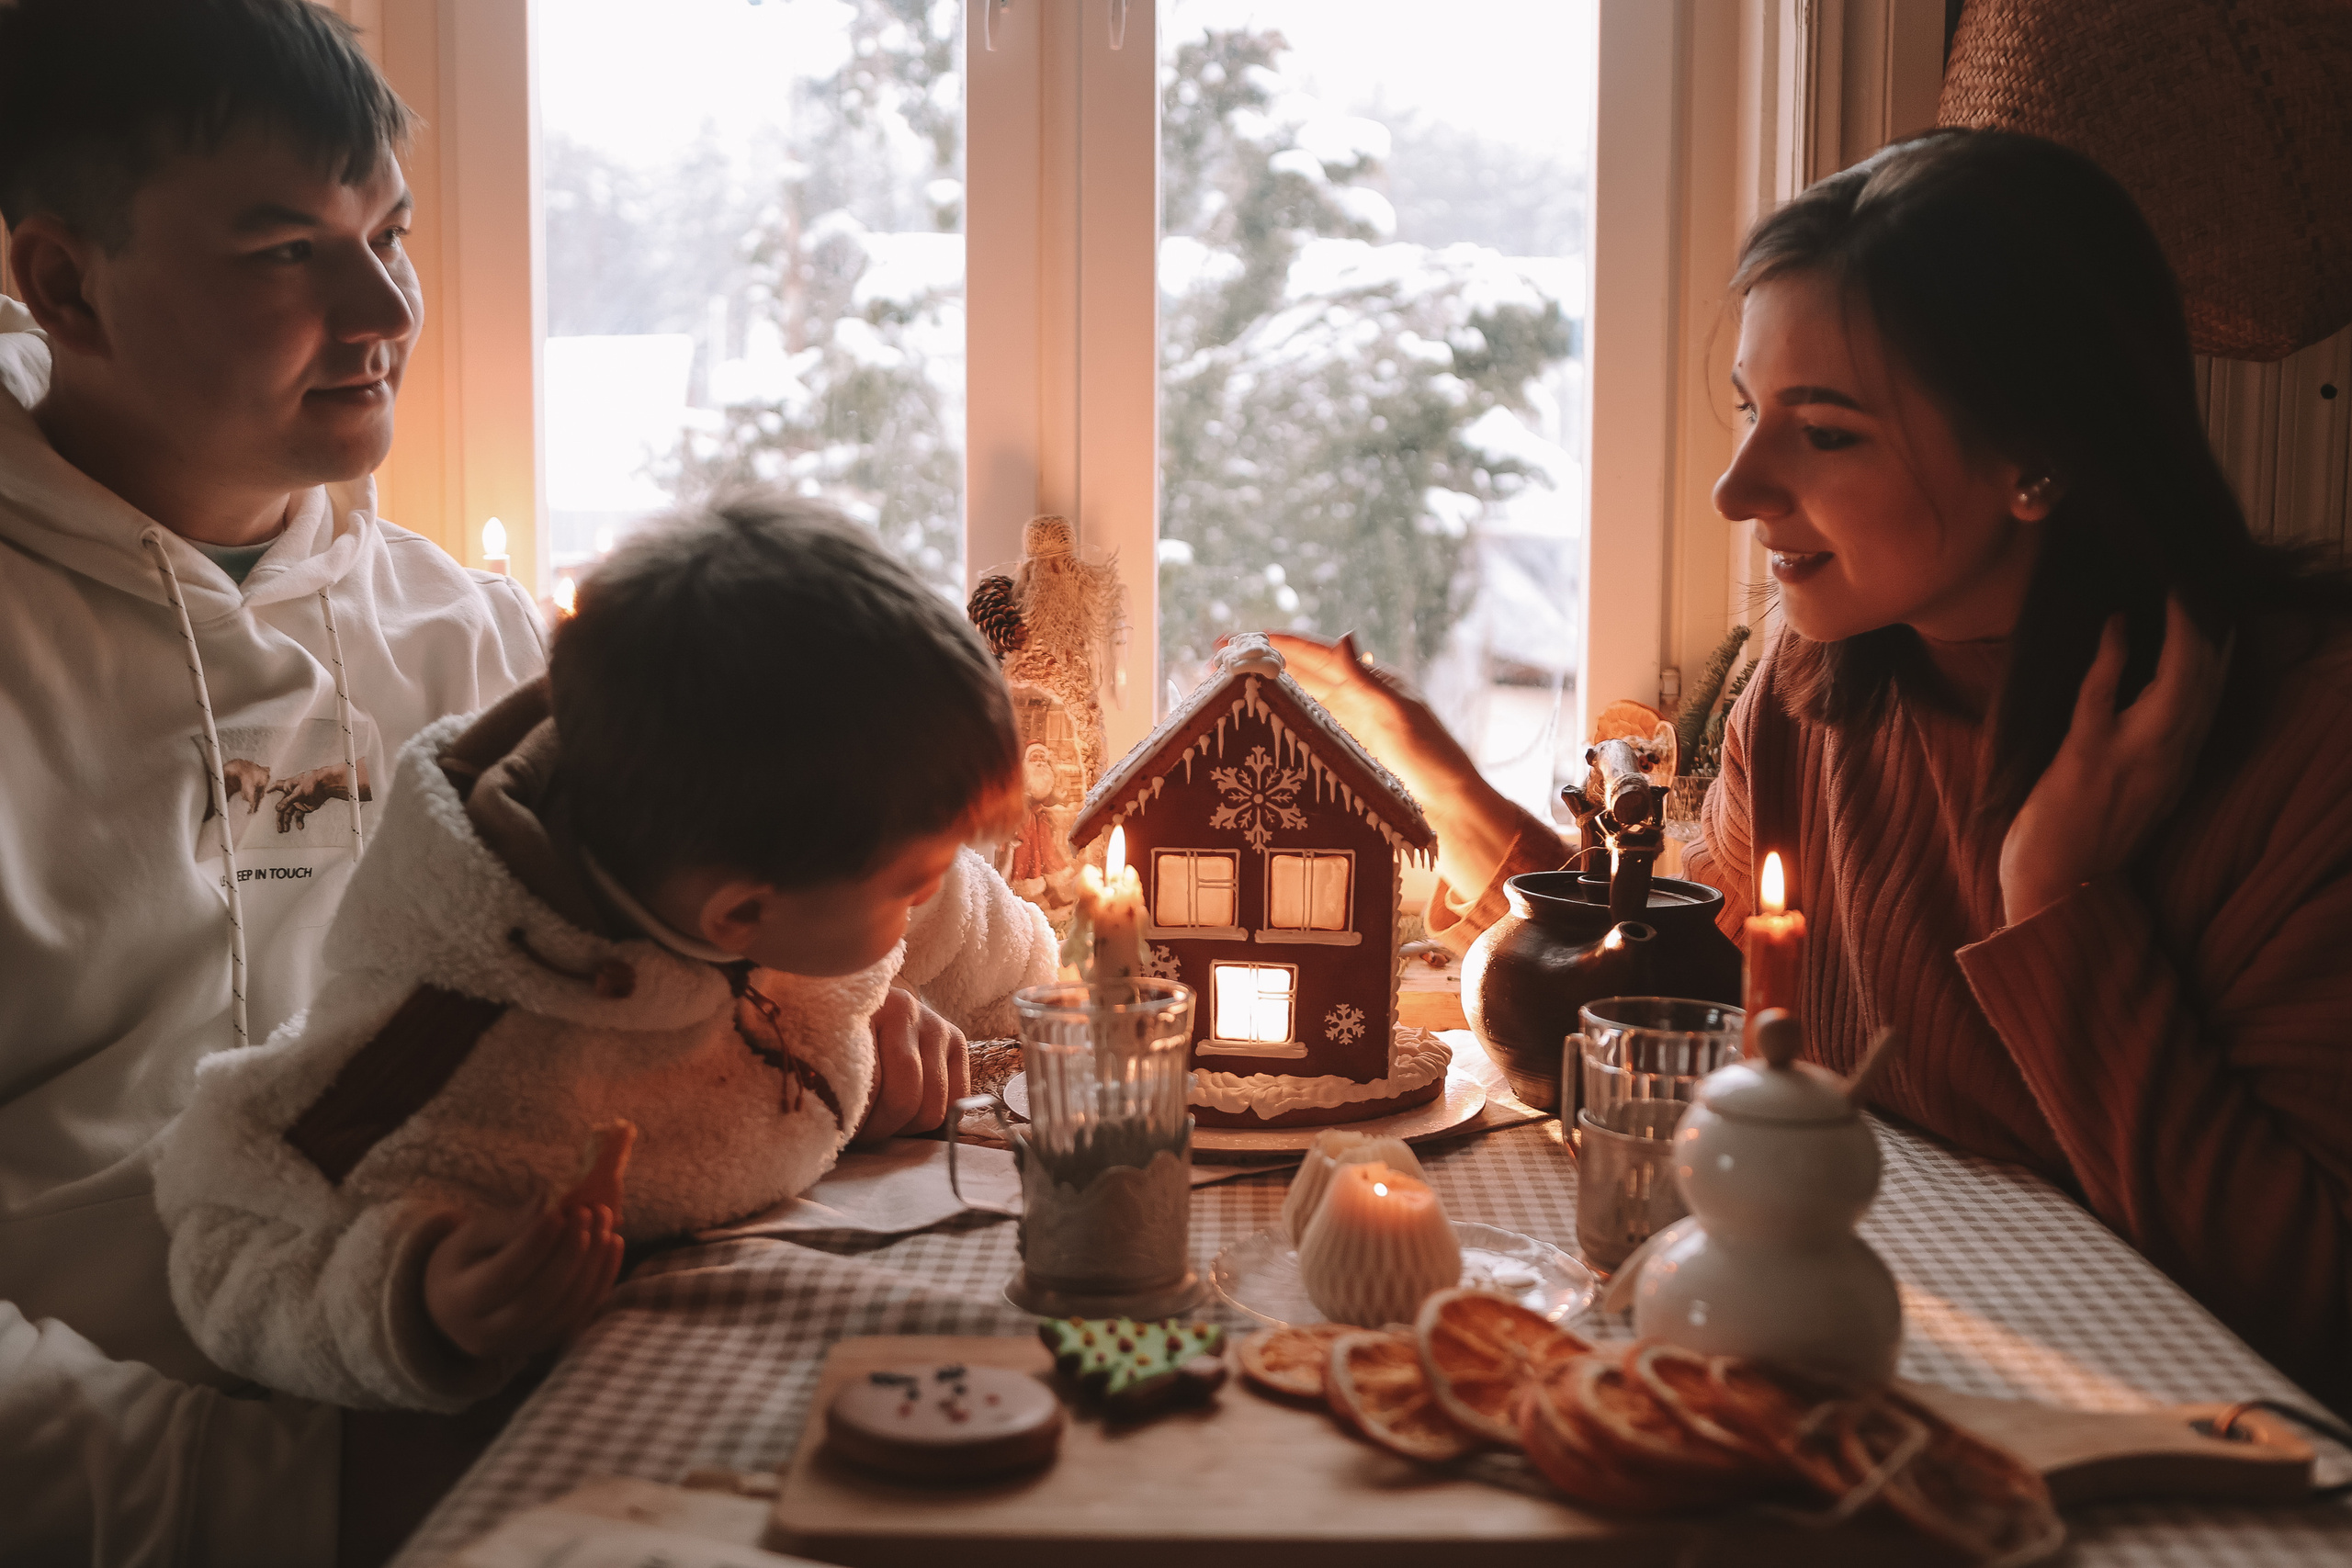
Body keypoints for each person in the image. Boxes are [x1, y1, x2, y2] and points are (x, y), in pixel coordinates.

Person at [0, 2, 967, 1557]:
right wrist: (293, 1498)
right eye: (284, 253)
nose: (384, 302)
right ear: (62, 281)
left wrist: (786, 1030)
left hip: (563, 1406)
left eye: (390, 231)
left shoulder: (479, 645)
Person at [1275, 128, 2352, 1413]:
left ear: (2038, 459)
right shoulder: (1808, 692)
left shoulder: (2311, 738)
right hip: (1860, 1373)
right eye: (1748, 410)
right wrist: (1436, 775)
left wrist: (2058, 895)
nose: (1738, 487)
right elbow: (1668, 977)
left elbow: (2304, 1302)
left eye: (1827, 433)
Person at [152, 491, 1056, 1411]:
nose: (931, 902)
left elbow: (982, 935)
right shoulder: (441, 1048)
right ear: (739, 919)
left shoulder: (812, 838)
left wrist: (1061, 1003)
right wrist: (417, 1297)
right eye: (912, 888)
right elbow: (226, 1234)